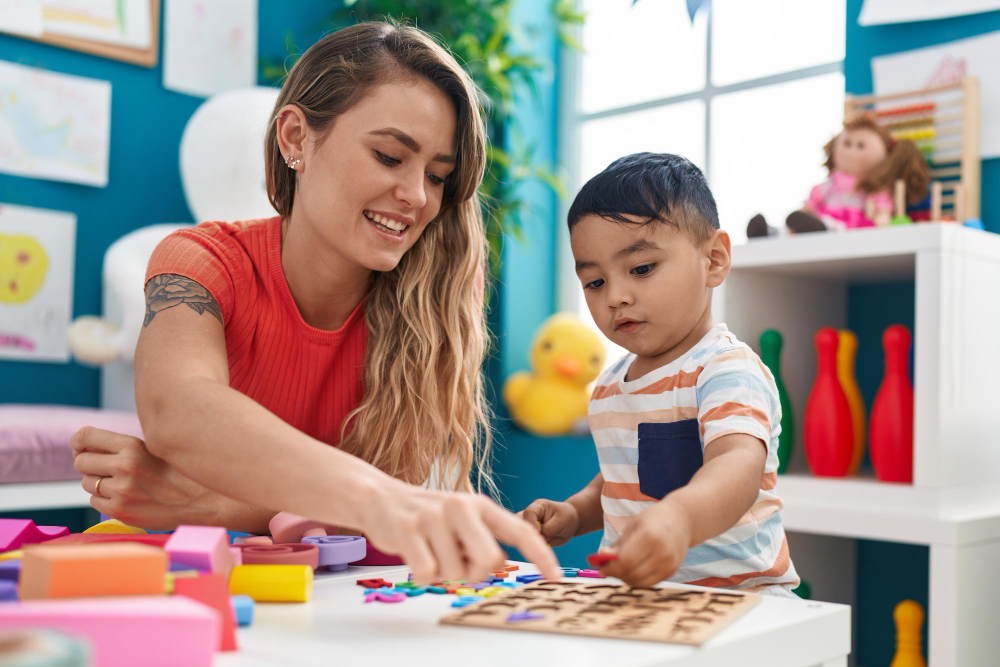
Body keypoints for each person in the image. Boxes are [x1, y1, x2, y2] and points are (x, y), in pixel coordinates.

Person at [71, 21, 559, 586]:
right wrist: (373, 503)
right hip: (180, 572)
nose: (417, 196)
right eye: (388, 156)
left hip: (333, 587)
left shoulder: (438, 296)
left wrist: (210, 502)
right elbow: (179, 414)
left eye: (438, 175)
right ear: (296, 138)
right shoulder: (199, 259)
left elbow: (384, 511)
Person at [520, 153, 799, 595]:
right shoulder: (610, 386)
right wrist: (574, 514)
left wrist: (680, 519)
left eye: (641, 269)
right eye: (594, 282)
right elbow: (622, 480)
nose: (616, 296)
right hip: (649, 599)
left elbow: (737, 466)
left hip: (739, 600)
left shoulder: (726, 368)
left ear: (714, 259)